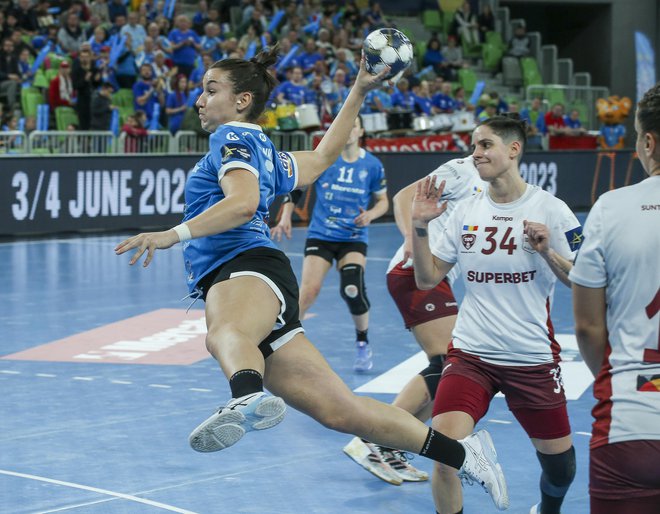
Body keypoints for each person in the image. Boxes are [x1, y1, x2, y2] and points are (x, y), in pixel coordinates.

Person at [114, 48, 508, 510]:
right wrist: (359, 88)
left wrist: (171, 234)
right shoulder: (262, 148)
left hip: (243, 265)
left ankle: (246, 395)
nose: (199, 99)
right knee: (344, 412)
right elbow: (322, 157)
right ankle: (463, 454)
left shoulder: (230, 141)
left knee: (225, 332)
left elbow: (242, 204)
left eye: (210, 89)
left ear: (242, 101)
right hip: (263, 273)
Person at [411, 114, 580, 514]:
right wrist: (417, 227)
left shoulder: (551, 209)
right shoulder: (465, 210)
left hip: (530, 358)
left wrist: (545, 252)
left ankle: (548, 510)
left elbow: (581, 279)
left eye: (485, 145)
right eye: (473, 145)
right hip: (472, 355)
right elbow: (426, 277)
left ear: (513, 149)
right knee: (445, 455)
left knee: (561, 469)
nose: (476, 154)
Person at [343, 156, 486, 485]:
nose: (480, 152)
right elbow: (403, 196)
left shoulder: (494, 190)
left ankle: (389, 444)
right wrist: (411, 236)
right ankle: (370, 439)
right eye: (478, 144)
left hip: (437, 277)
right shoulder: (461, 170)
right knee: (447, 363)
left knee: (448, 371)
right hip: (413, 272)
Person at [570, 83, 660, 514]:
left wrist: (612, 375)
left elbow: (587, 327)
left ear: (648, 141)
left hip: (632, 415)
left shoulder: (612, 207)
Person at [270, 115, 389, 372]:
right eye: (344, 125)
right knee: (308, 292)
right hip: (322, 235)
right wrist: (286, 216)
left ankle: (362, 342)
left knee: (352, 289)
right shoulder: (325, 160)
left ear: (360, 131)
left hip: (353, 238)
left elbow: (383, 202)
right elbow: (297, 188)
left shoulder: (372, 165)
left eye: (352, 126)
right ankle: (285, 342)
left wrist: (371, 214)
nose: (348, 131)